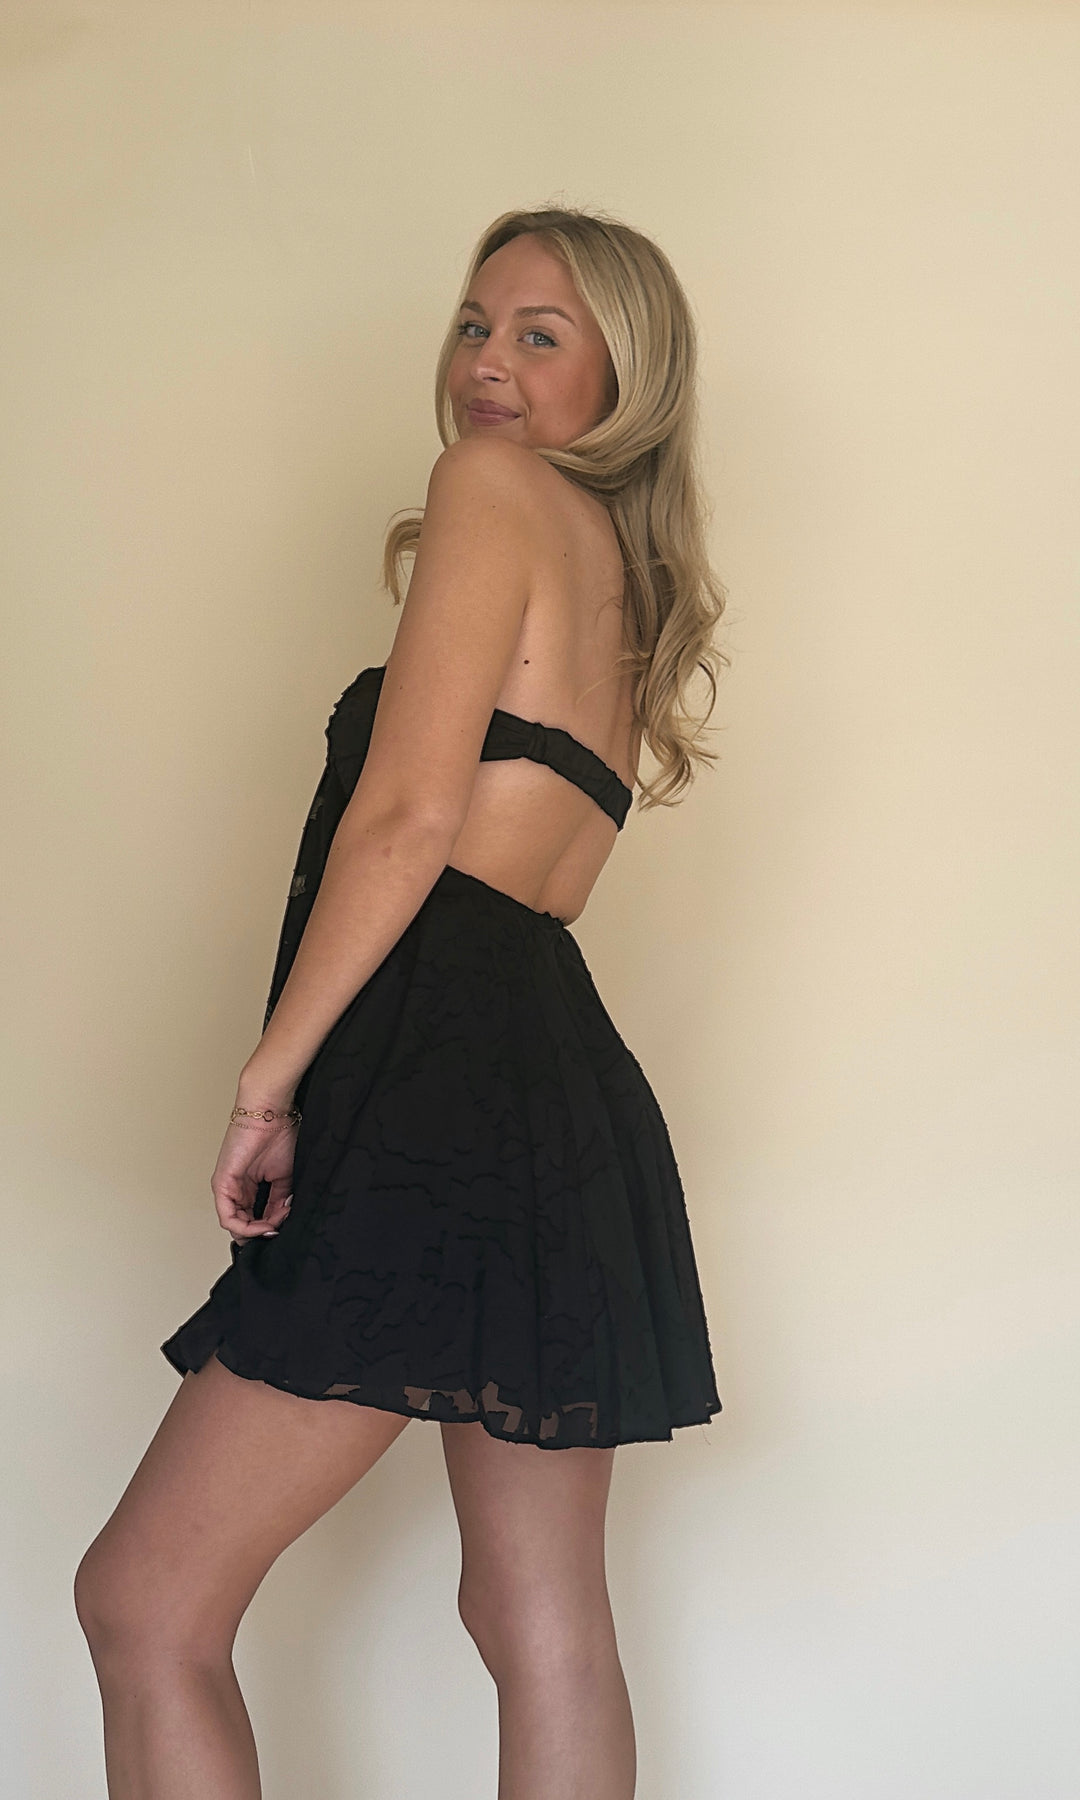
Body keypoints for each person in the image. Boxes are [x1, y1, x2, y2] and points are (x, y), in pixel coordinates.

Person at [74, 205, 726, 1800]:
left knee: (146, 1603)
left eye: (541, 335)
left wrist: (270, 1082)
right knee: (540, 1621)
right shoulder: (623, 583)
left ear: (627, 376)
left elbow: (409, 820)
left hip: (436, 1072)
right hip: (562, 1089)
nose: (487, 362)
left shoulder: (491, 492)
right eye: (474, 324)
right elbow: (539, 878)